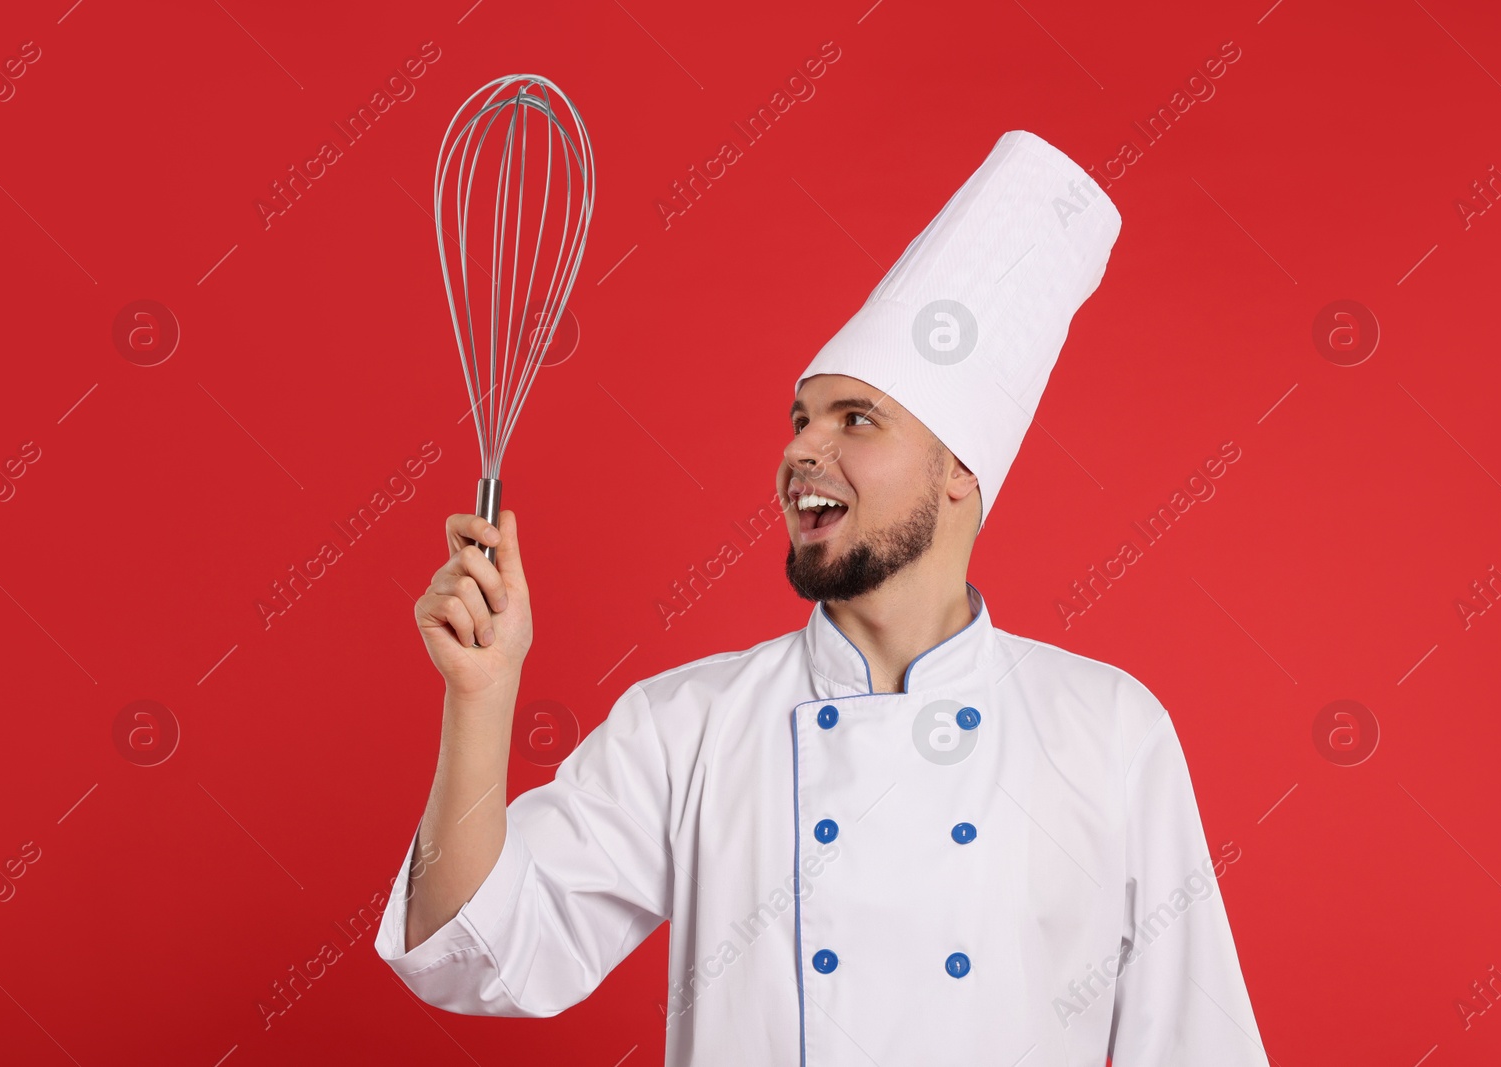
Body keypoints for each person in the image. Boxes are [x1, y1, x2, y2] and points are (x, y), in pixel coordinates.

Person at [376, 130, 1270, 1066]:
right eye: (801, 418)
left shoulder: (1111, 730)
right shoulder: (691, 725)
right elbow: (474, 951)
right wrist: (481, 698)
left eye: (856, 419)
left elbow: (1197, 1044)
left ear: (959, 469)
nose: (803, 450)